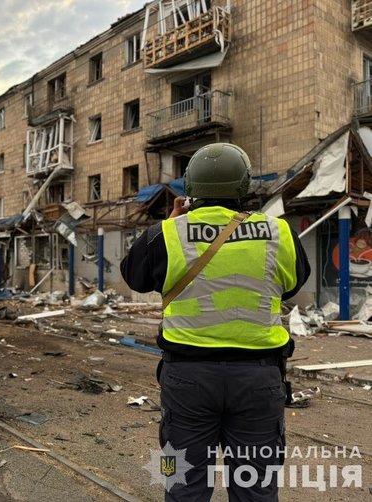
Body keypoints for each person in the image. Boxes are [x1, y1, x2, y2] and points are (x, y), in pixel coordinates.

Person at [120, 143, 310, 501]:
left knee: (181, 485)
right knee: (257, 489)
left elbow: (134, 276)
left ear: (190, 188)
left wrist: (173, 223)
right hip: (259, 380)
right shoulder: (279, 232)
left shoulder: (168, 233)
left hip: (187, 382)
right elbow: (293, 284)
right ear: (244, 186)